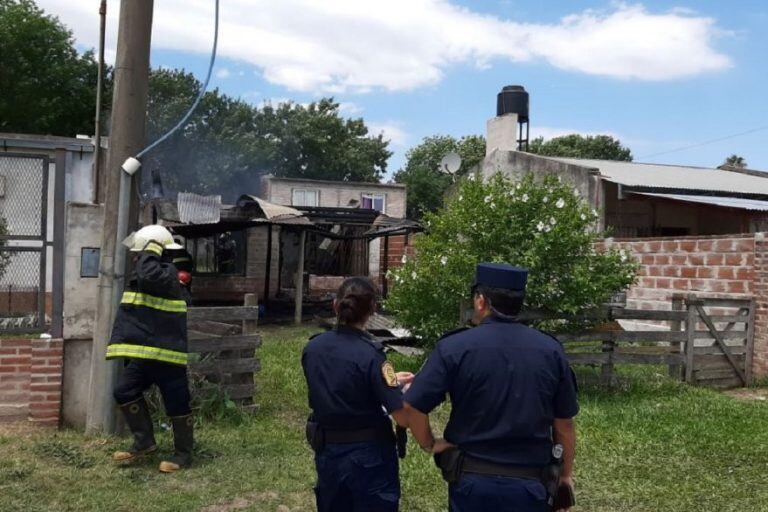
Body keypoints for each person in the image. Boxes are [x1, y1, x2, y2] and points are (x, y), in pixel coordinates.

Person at [404, 263, 579, 512]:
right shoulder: (550, 350)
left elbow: (412, 406)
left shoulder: (454, 347)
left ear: (480, 301)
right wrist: (564, 476)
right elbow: (564, 424)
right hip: (531, 484)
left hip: (472, 483)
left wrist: (430, 444)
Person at [302, 277, 414, 512]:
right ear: (372, 309)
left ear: (335, 305)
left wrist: (390, 381)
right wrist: (400, 390)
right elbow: (402, 417)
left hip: (328, 452)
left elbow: (342, 384)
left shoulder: (313, 349)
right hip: (369, 457)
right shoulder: (372, 356)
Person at [106, 224, 194, 473]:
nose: (136, 258)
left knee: (177, 404)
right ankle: (144, 443)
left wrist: (151, 248)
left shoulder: (168, 273)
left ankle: (183, 455)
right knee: (124, 390)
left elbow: (149, 275)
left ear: (153, 251)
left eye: (140, 253)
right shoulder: (151, 274)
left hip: (167, 355)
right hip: (145, 352)